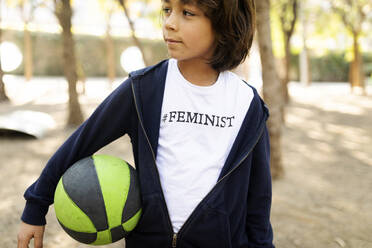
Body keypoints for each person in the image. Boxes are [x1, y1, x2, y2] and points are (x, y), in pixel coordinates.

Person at [17, 0, 275, 247]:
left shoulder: (247, 104)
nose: (169, 23)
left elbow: (258, 200)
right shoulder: (145, 89)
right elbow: (81, 142)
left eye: (187, 13)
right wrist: (36, 205)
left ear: (224, 22)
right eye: (167, 9)